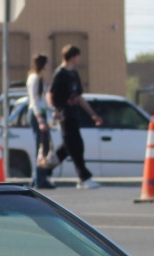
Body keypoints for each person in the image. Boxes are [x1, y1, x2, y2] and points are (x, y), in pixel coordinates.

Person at [46, 45, 103, 189]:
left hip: (74, 113)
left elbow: (78, 97)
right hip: (64, 116)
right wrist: (54, 109)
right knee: (76, 146)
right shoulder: (60, 73)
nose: (79, 59)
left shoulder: (74, 74)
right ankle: (84, 177)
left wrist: (93, 114)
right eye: (78, 56)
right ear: (72, 57)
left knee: (67, 148)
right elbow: (50, 94)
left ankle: (44, 171)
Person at [26, 54, 55, 190]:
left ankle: (39, 177)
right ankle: (39, 179)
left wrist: (51, 112)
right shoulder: (34, 78)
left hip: (42, 113)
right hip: (37, 114)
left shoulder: (40, 78)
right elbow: (35, 100)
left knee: (45, 146)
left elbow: (43, 100)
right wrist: (40, 119)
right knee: (41, 146)